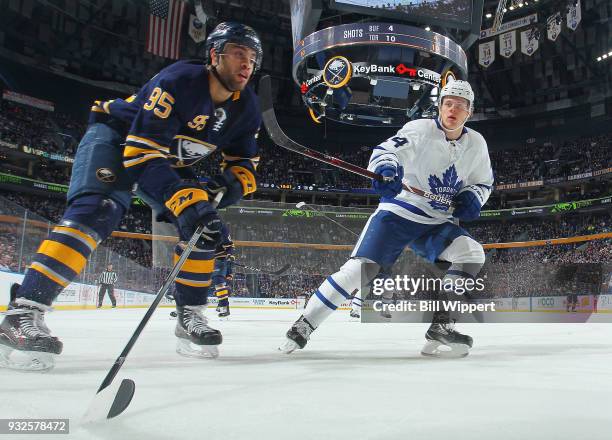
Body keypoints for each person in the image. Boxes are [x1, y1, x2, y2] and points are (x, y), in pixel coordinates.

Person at [0, 22, 263, 371]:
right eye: (238, 53)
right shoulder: (179, 80)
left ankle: (190, 314)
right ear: (214, 54)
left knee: (204, 226)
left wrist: (229, 185)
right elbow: (141, 153)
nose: (247, 64)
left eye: (252, 58)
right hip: (119, 139)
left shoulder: (247, 107)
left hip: (163, 157)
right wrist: (186, 199)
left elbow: (244, 161)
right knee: (98, 210)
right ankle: (23, 313)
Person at [281, 80, 494, 358]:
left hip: (436, 220)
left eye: (460, 106)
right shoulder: (420, 129)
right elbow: (387, 152)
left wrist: (473, 197)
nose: (453, 109)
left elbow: (483, 182)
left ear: (470, 112)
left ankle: (442, 325)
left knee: (471, 253)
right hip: (400, 212)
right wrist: (386, 169)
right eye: (448, 103)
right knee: (361, 271)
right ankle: (305, 324)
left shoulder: (476, 143)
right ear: (439, 107)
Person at [213, 224, 235, 318]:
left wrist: (230, 255)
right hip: (209, 261)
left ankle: (224, 306)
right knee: (217, 285)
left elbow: (230, 246)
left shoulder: (221, 229)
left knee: (219, 282)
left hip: (221, 261)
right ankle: (221, 303)